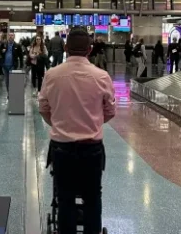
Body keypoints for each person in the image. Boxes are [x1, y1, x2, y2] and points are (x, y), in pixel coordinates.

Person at [38, 28, 116, 234]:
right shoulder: (101, 76)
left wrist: (58, 123)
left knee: (64, 198)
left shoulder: (52, 75)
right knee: (92, 197)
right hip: (92, 149)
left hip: (61, 148)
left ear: (65, 48)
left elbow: (43, 109)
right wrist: (94, 122)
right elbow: (110, 111)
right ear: (89, 50)